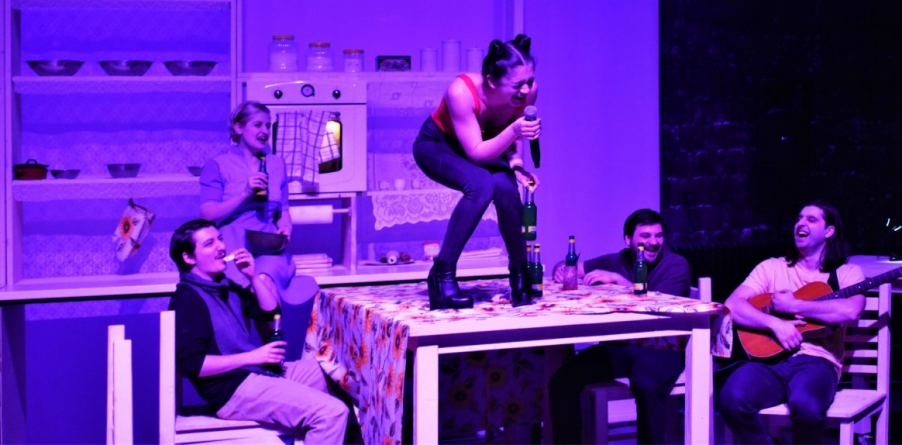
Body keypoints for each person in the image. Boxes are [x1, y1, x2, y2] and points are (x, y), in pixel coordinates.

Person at [168, 219, 351, 444]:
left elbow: (270, 311)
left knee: (341, 374)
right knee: (331, 413)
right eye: (209, 243)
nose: (221, 246)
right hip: (233, 389)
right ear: (188, 258)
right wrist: (253, 357)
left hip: (258, 372)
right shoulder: (187, 299)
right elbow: (192, 365)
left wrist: (252, 276)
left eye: (220, 239)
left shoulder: (225, 287)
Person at [716, 201, 865, 444]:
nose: (800, 223)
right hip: (769, 362)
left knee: (807, 407)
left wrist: (794, 305)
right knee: (731, 398)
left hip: (817, 362)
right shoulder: (771, 267)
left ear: (829, 231)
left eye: (811, 219)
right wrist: (775, 324)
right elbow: (733, 305)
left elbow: (852, 310)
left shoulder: (847, 272)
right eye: (799, 218)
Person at [412, 34, 541, 310]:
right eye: (517, 84)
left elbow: (509, 132)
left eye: (529, 81)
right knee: (481, 185)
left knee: (506, 189)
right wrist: (515, 130)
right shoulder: (461, 91)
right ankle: (441, 276)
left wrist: (517, 165)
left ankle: (520, 275)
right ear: (492, 81)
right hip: (439, 145)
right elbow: (477, 153)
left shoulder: (528, 91)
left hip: (488, 143)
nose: (525, 89)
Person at [548, 209, 691, 445]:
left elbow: (659, 305)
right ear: (628, 240)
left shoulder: (676, 265)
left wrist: (620, 281)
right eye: (645, 236)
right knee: (562, 382)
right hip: (621, 347)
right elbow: (570, 264)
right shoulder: (618, 260)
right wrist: (561, 269)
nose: (654, 242)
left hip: (662, 348)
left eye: (658, 235)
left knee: (645, 384)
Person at [200, 101, 296, 301]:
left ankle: (273, 324)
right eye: (258, 125)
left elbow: (283, 211)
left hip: (269, 246)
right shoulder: (218, 165)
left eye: (268, 125)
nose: (265, 131)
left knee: (264, 281)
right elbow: (207, 215)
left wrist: (285, 228)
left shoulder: (277, 164)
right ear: (238, 128)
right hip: (232, 246)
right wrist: (244, 194)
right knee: (246, 292)